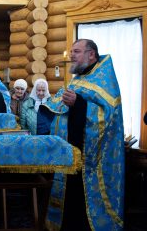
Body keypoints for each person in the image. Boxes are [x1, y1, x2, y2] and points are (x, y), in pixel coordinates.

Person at [44, 39, 124, 231]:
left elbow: (108, 116)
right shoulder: (78, 78)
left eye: (77, 51)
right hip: (71, 149)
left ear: (91, 55)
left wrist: (79, 103)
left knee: (85, 198)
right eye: (71, 51)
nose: (72, 55)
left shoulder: (104, 79)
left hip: (93, 157)